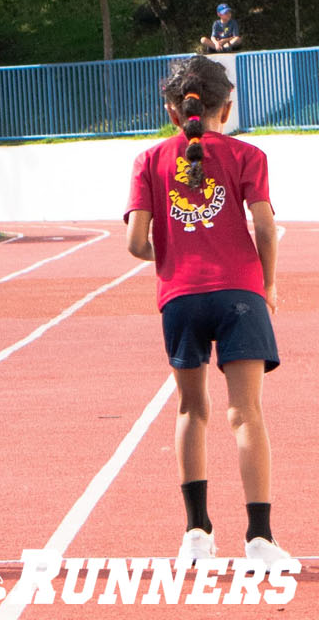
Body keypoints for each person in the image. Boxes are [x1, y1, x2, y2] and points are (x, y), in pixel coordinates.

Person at [125, 55, 288, 565]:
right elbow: (263, 225)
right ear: (228, 106)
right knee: (247, 413)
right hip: (240, 293)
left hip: (181, 297)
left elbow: (135, 243)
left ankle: (197, 533)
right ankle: (259, 539)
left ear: (172, 112)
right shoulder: (247, 155)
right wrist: (268, 282)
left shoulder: (150, 160)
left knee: (191, 410)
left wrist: (177, 250)